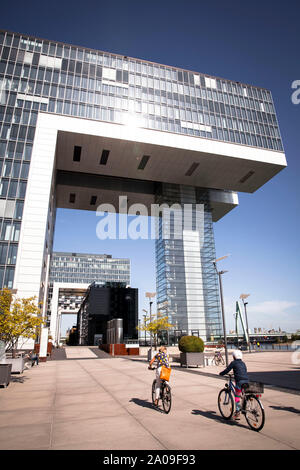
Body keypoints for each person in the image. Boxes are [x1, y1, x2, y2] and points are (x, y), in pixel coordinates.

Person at [219, 349, 249, 420]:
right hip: (246, 380)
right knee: (244, 394)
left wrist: (221, 373)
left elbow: (227, 370)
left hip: (239, 381)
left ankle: (237, 412)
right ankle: (245, 404)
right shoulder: (243, 363)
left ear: (234, 357)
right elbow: (244, 371)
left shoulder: (233, 363)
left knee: (237, 396)